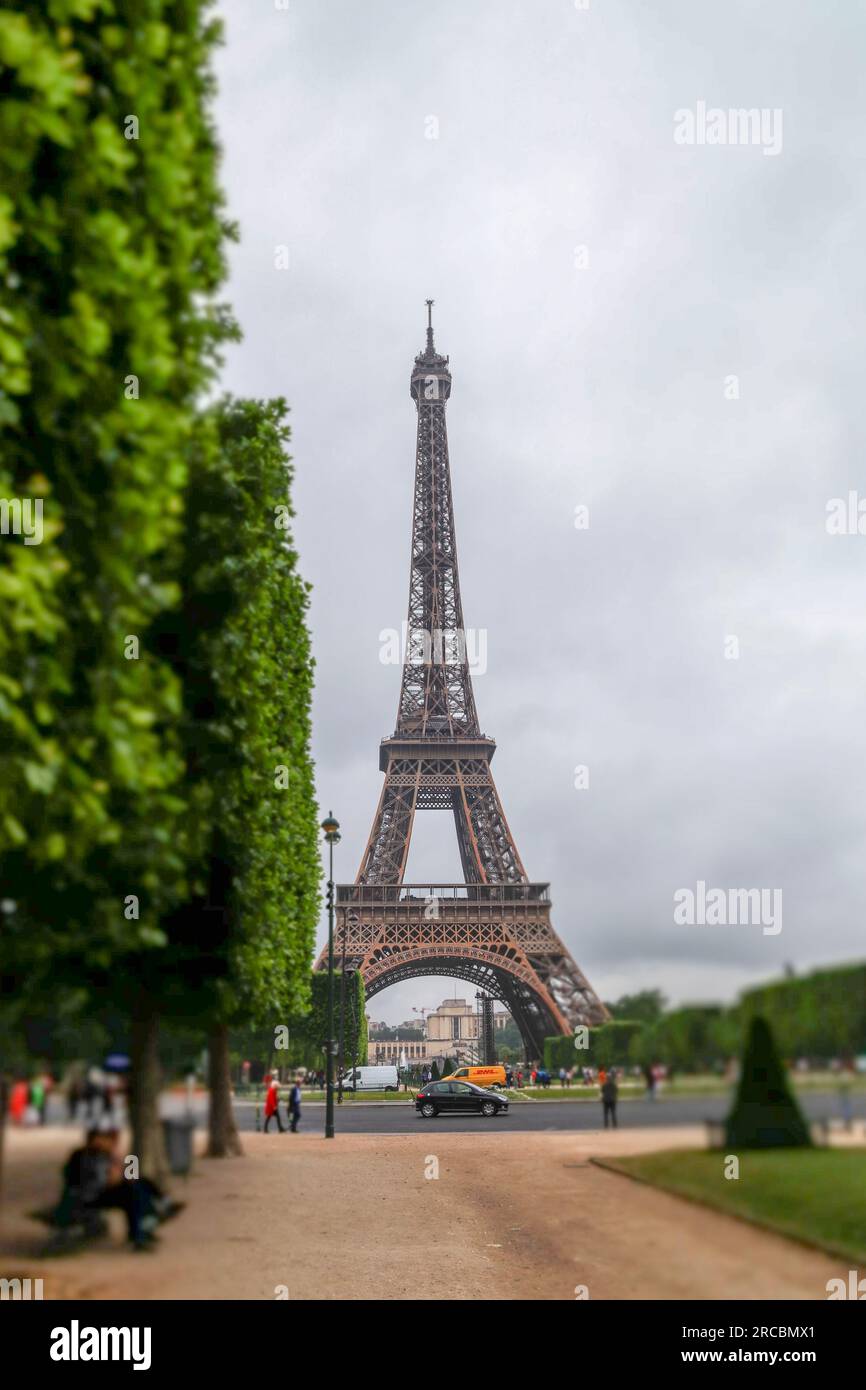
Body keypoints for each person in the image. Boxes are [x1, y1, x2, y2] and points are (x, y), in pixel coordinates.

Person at [47, 1128, 182, 1251]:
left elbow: (125, 1177)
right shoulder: (84, 1156)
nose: (113, 1143)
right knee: (133, 1191)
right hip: (89, 1197)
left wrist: (120, 1161)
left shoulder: (104, 1155)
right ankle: (148, 1225)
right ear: (96, 1140)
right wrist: (116, 1162)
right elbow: (103, 1182)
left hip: (102, 1193)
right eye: (109, 1139)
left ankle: (149, 1222)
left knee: (139, 1185)